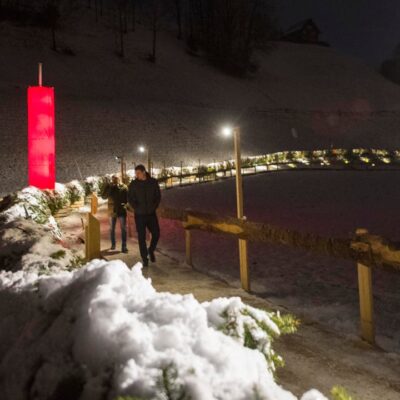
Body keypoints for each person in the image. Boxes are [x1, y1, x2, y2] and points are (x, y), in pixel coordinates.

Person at [128, 164, 161, 267]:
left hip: (151, 214)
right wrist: (136, 208)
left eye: (138, 173)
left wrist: (154, 207)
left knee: (156, 233)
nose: (136, 175)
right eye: (136, 173)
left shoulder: (153, 182)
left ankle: (150, 250)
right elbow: (130, 198)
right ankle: (144, 258)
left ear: (143, 172)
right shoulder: (133, 184)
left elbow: (158, 196)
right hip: (140, 215)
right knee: (141, 238)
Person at [105, 175, 128, 253]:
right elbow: (104, 196)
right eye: (113, 179)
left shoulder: (124, 187)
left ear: (120, 179)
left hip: (121, 210)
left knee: (123, 229)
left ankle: (124, 246)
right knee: (112, 229)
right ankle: (113, 244)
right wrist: (109, 187)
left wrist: (126, 205)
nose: (115, 180)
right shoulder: (111, 187)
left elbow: (128, 198)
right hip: (112, 211)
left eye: (116, 179)